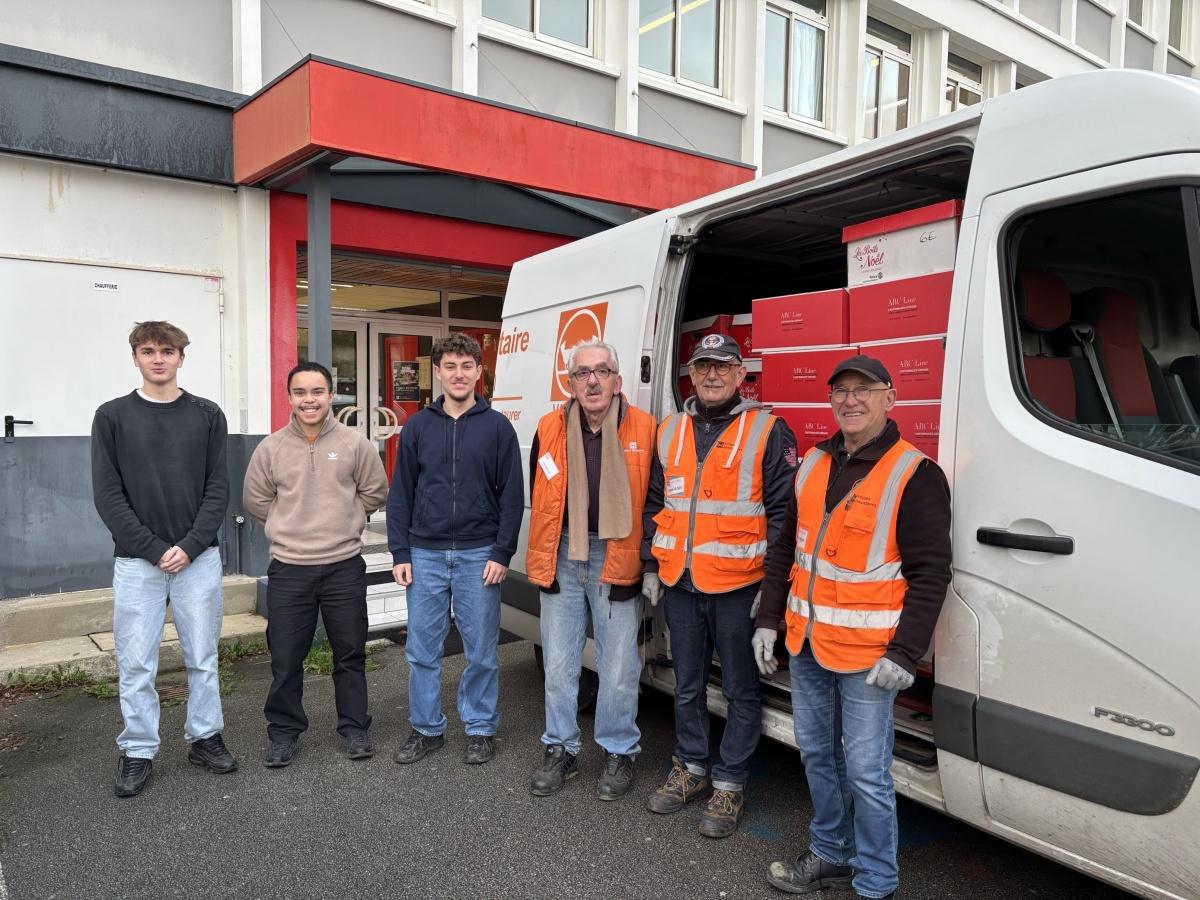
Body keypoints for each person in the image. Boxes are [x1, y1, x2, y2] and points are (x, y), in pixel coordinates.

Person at [759, 355, 952, 900]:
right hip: (808, 643)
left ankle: (876, 881)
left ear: (890, 398)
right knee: (817, 753)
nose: (851, 400)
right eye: (841, 390)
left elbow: (932, 573)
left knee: (868, 773)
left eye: (864, 390)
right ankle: (830, 853)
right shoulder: (815, 464)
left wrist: (905, 652)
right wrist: (768, 620)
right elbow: (786, 552)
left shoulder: (915, 474)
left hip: (871, 657)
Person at [641, 333, 797, 838]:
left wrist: (771, 589)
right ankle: (690, 768)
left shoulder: (769, 431)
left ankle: (729, 785)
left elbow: (783, 517)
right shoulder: (670, 431)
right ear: (690, 373)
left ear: (740, 375)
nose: (712, 375)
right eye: (703, 366)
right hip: (681, 585)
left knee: (739, 689)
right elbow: (654, 505)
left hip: (740, 587)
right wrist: (650, 564)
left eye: (723, 366)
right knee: (686, 686)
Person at [91, 320, 234, 797]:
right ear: (135, 357)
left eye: (167, 351)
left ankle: (205, 737)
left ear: (181, 358)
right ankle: (137, 750)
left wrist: (190, 546)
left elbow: (218, 490)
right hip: (137, 563)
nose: (158, 358)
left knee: (203, 657)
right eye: (148, 350)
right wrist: (154, 549)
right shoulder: (111, 417)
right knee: (136, 662)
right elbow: (109, 496)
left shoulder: (207, 415)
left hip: (199, 560)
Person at [524, 340, 655, 800]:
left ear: (617, 380)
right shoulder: (549, 427)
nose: (593, 380)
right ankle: (561, 748)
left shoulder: (645, 428)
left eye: (602, 371)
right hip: (562, 551)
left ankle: (619, 750)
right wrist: (546, 555)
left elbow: (656, 502)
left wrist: (648, 562)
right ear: (570, 382)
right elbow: (539, 495)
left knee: (618, 667)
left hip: (616, 553)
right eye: (582, 373)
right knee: (559, 665)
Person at [243, 361, 389, 768]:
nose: (310, 400)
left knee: (350, 653)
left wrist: (348, 519)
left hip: (343, 565)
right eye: (301, 393)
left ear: (330, 395)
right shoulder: (270, 448)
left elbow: (375, 490)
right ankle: (284, 733)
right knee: (286, 657)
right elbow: (256, 500)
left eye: (317, 392)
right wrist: (283, 525)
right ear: (289, 397)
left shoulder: (354, 443)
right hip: (290, 568)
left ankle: (354, 727)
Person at [388, 333, 523, 766]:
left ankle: (480, 727)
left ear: (478, 372)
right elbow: (401, 492)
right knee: (422, 650)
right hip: (424, 554)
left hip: (478, 553)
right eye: (450, 365)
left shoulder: (498, 426)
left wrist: (502, 552)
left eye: (467, 365)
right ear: (438, 371)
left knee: (481, 650)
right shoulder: (418, 426)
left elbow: (511, 494)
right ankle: (426, 728)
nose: (458, 374)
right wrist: (400, 553)